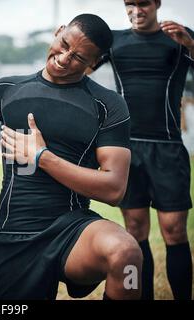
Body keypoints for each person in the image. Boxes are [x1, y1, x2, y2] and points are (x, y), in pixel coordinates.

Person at [0, 14, 142, 300]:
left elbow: (115, 189)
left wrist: (43, 157)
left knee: (126, 253)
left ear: (94, 63)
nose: (64, 58)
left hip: (73, 227)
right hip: (15, 232)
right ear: (58, 31)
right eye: (64, 44)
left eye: (78, 57)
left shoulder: (109, 106)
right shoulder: (5, 90)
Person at [92, 0, 193, 300]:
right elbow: (81, 63)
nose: (137, 10)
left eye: (144, 3)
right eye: (130, 3)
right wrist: (62, 39)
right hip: (125, 148)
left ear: (158, 3)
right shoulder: (114, 41)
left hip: (167, 148)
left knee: (174, 230)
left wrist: (190, 45)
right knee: (135, 230)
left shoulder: (179, 37)